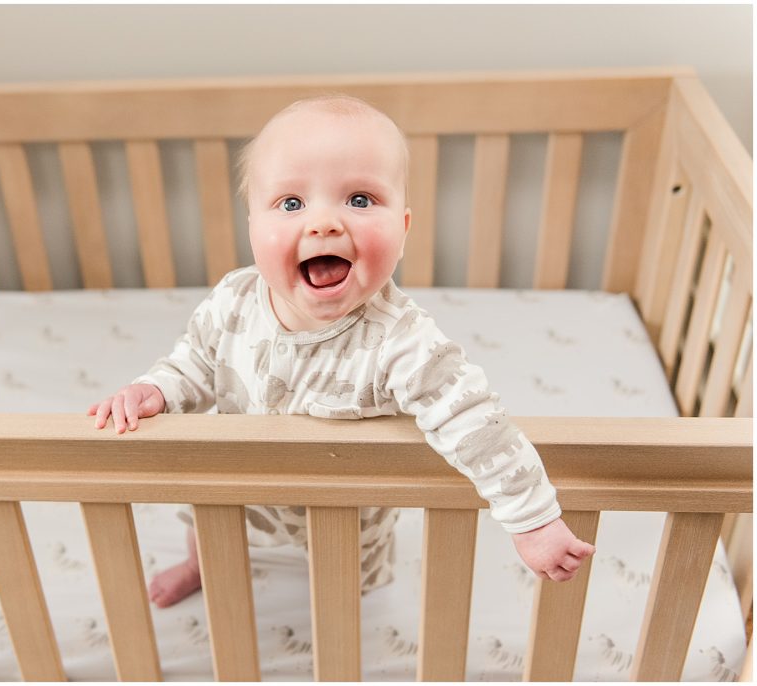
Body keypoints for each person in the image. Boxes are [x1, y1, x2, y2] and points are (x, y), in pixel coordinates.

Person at [88, 94, 595, 608]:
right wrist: (155, 389)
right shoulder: (233, 299)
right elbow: (194, 363)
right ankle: (200, 566)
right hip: (243, 485)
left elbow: (479, 426)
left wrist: (532, 521)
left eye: (359, 200)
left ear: (403, 228)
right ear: (251, 227)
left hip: (349, 507)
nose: (323, 223)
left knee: (351, 584)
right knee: (205, 522)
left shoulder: (404, 341)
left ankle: (344, 606)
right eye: (291, 204)